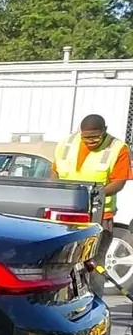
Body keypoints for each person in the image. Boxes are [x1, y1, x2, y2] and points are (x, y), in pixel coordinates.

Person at [54, 114, 130, 292]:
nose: (90, 142)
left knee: (94, 263)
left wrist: (91, 196)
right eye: (86, 137)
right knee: (62, 261)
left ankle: (94, 299)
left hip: (99, 216)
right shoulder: (66, 144)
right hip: (67, 214)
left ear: (104, 131)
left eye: (95, 137)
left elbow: (119, 182)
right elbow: (55, 172)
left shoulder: (117, 148)